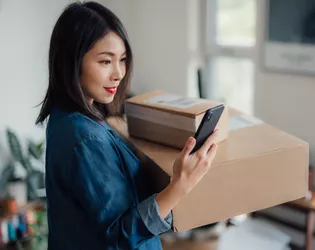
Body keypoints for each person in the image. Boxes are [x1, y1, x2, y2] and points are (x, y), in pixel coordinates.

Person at [35, 2, 218, 250]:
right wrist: (180, 185)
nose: (119, 73)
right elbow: (121, 235)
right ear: (71, 62)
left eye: (122, 60)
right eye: (105, 62)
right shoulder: (84, 137)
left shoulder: (70, 116)